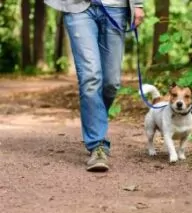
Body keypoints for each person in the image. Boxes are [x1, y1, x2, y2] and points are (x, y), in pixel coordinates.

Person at [44, 0, 144, 172]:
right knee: (90, 77)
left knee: (111, 83)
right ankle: (97, 145)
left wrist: (138, 4)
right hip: (78, 7)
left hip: (115, 8)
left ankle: (95, 121)